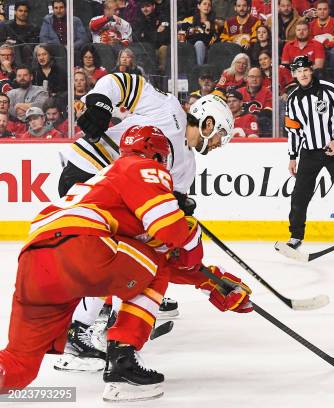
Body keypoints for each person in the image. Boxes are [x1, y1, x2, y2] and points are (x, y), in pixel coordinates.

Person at [0, 125, 252, 401]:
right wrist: (192, 242)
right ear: (158, 156)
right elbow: (169, 235)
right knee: (153, 261)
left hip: (34, 260)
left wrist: (207, 280)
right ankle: (123, 359)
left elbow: (151, 257)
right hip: (83, 245)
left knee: (18, 366)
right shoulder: (141, 166)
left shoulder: (104, 184)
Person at [55, 74, 235, 371]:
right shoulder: (169, 110)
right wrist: (100, 105)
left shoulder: (187, 168)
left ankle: (98, 323)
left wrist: (177, 206)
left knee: (129, 254)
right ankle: (87, 330)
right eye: (219, 136)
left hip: (114, 194)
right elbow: (119, 82)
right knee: (123, 256)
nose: (218, 144)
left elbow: (159, 212)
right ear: (208, 123)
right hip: (89, 174)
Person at [282, 55, 334, 250]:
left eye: (305, 70)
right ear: (294, 74)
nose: (302, 74)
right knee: (300, 195)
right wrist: (292, 156)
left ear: (311, 70)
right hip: (309, 152)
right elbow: (293, 131)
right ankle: (295, 236)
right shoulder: (293, 99)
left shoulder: (329, 90)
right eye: (298, 71)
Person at [309, 0, 334, 83]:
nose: (322, 12)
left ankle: (333, 81)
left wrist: (325, 42)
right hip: (316, 51)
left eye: (325, 9)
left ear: (329, 10)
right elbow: (309, 42)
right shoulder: (311, 25)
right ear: (316, 11)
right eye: (320, 9)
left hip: (330, 50)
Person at [132, 0, 170, 74]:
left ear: (154, 6)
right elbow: (135, 37)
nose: (145, 9)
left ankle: (161, 77)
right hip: (143, 50)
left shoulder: (161, 18)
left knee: (164, 48)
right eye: (142, 7)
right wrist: (155, 33)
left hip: (157, 48)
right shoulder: (138, 19)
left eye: (148, 6)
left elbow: (163, 38)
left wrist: (144, 34)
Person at [178, 0, 218, 65]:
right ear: (198, 6)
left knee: (199, 43)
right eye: (204, 4)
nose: (207, 6)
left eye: (209, 5)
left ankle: (199, 70)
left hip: (205, 50)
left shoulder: (214, 24)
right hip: (189, 47)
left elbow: (209, 42)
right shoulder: (189, 20)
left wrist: (208, 27)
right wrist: (202, 35)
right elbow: (182, 36)